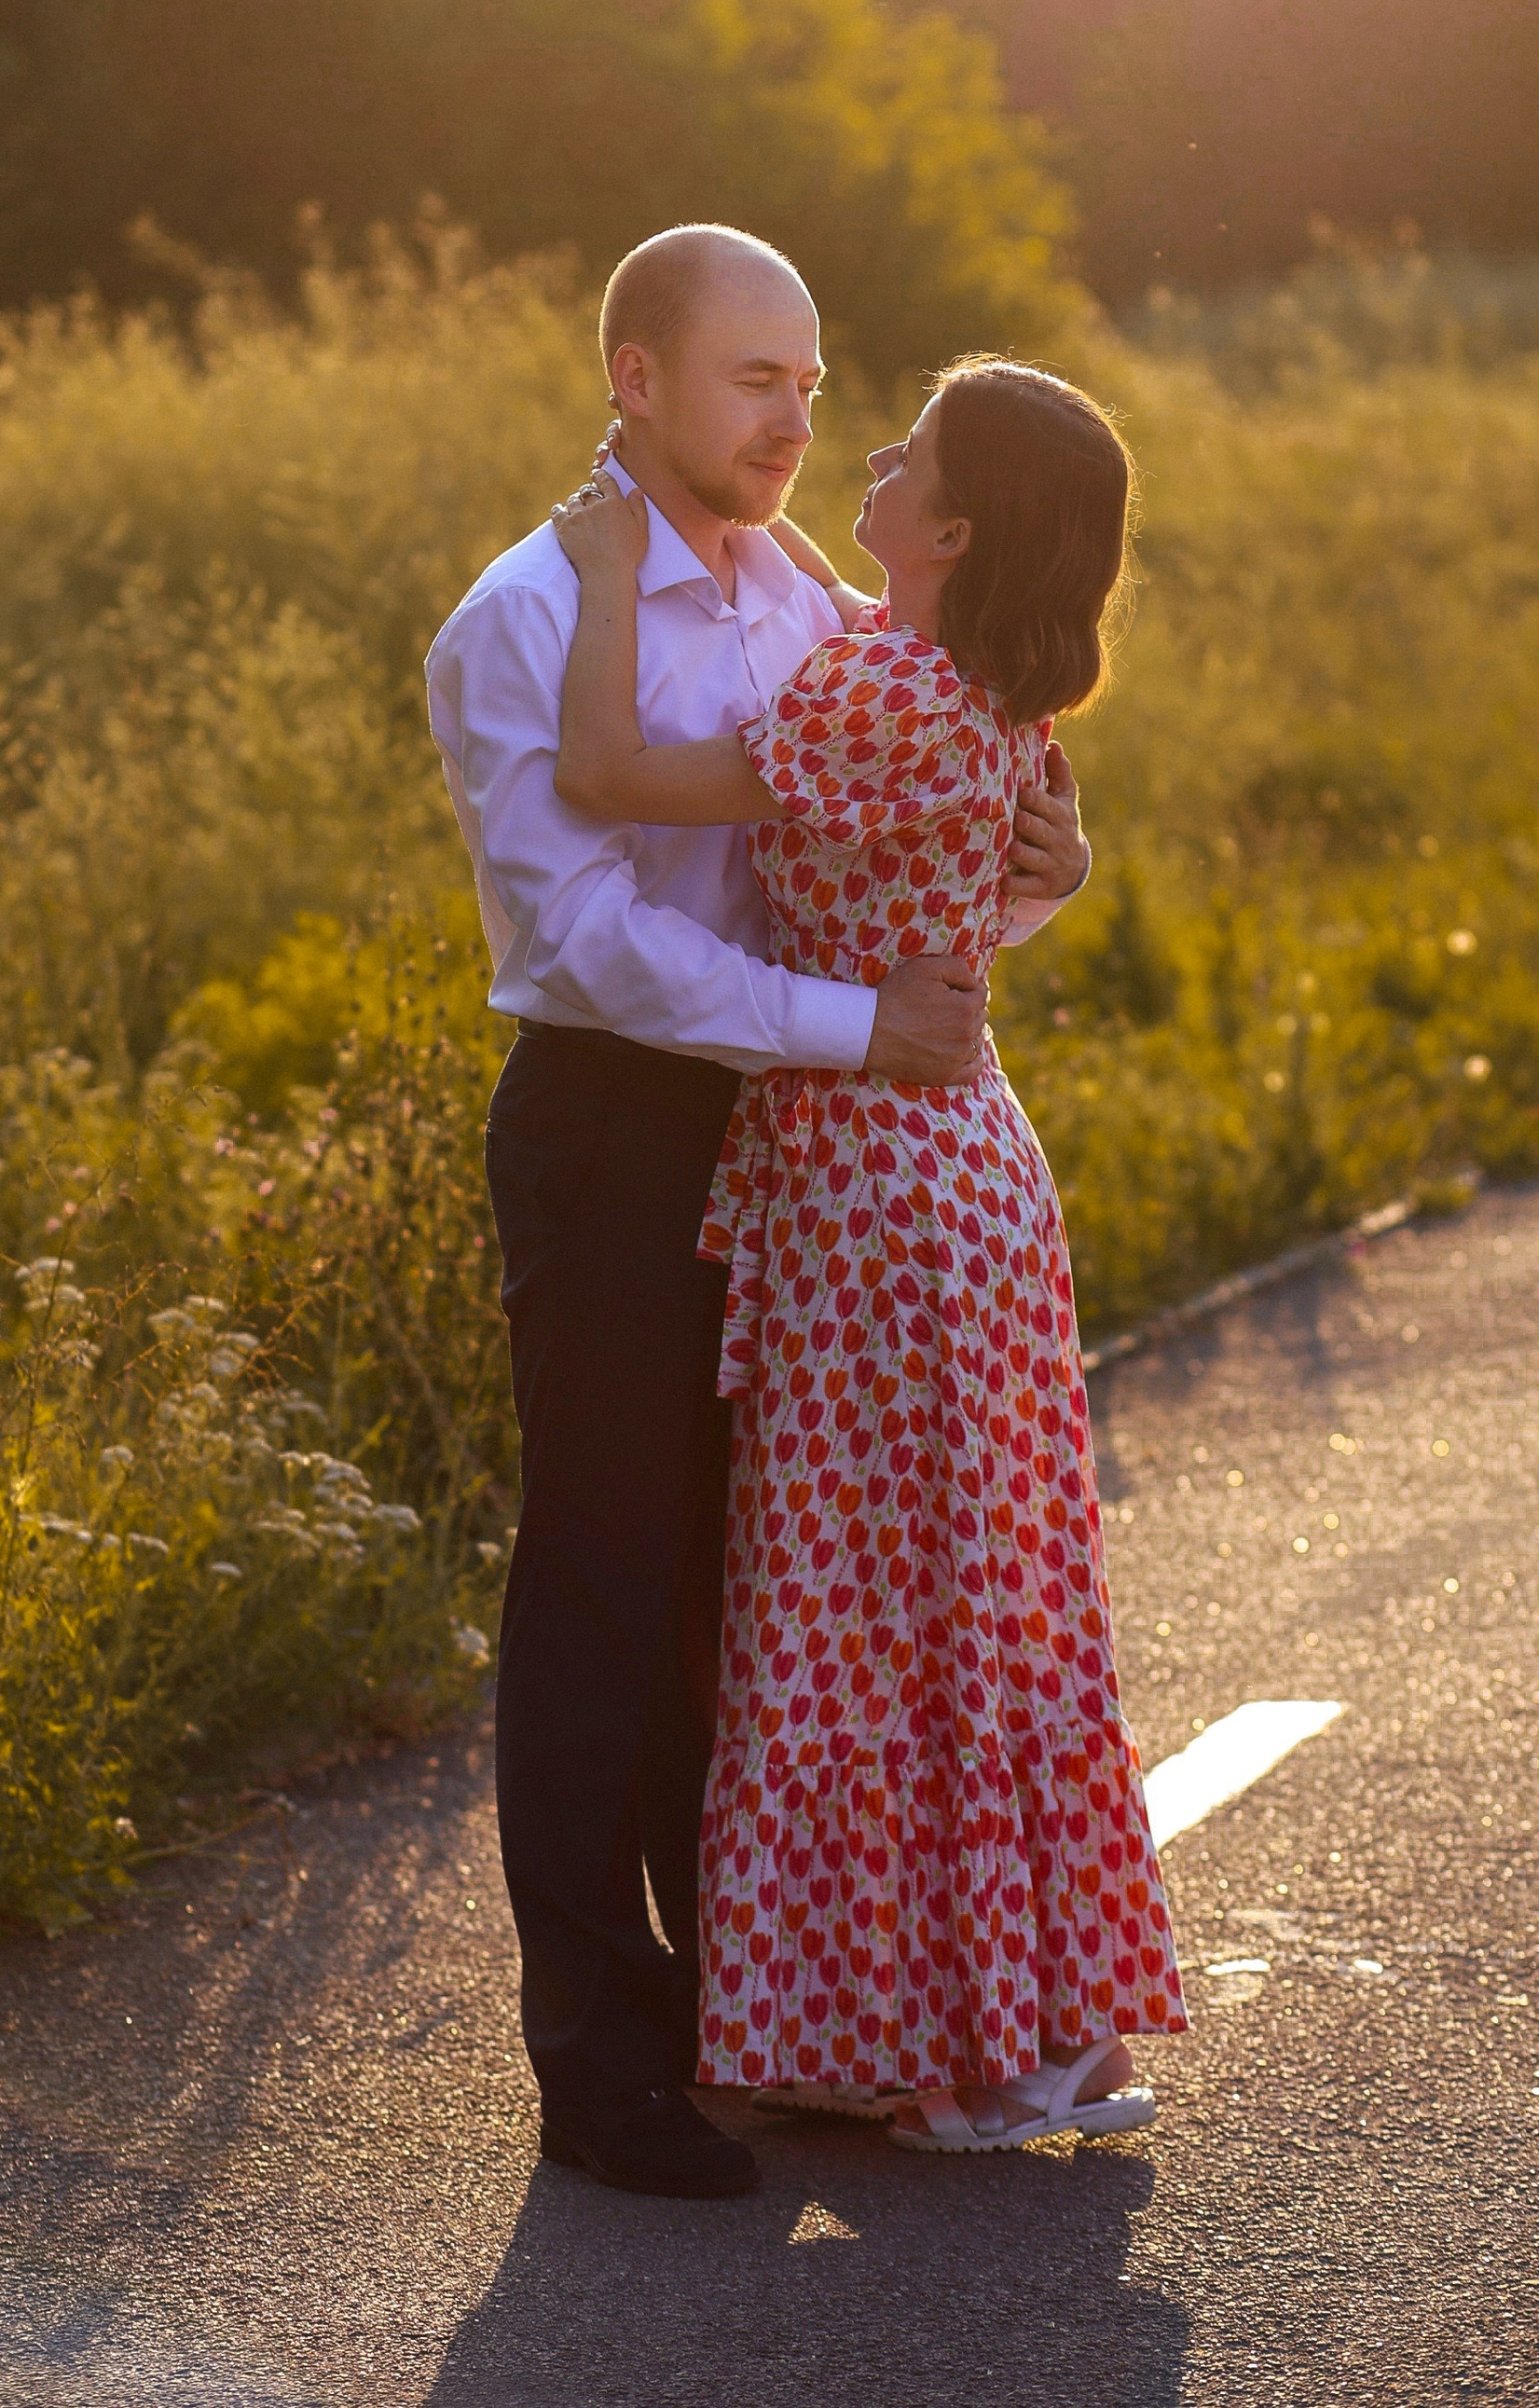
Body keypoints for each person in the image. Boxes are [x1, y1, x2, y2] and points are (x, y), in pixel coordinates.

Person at [424, 226, 1091, 2198]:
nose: (796, 419)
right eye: (750, 381)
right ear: (633, 378)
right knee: (606, 1585)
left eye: (810, 382)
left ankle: (764, 2011)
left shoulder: (809, 611)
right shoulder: (528, 616)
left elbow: (905, 883)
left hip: (811, 1150)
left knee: (765, 1596)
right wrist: (854, 1031)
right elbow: (592, 940)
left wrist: (1039, 872)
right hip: (625, 1128)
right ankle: (596, 2065)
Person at [550, 353, 1188, 2153]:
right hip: (953, 1168)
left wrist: (608, 576)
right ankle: (978, 2013)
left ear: (955, 529)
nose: (868, 457)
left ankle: (940, 2030)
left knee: (857, 1606)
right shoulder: (958, 682)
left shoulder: (886, 697)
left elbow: (606, 771)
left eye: (904, 451)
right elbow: (987, 855)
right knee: (971, 1601)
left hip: (875, 1187)